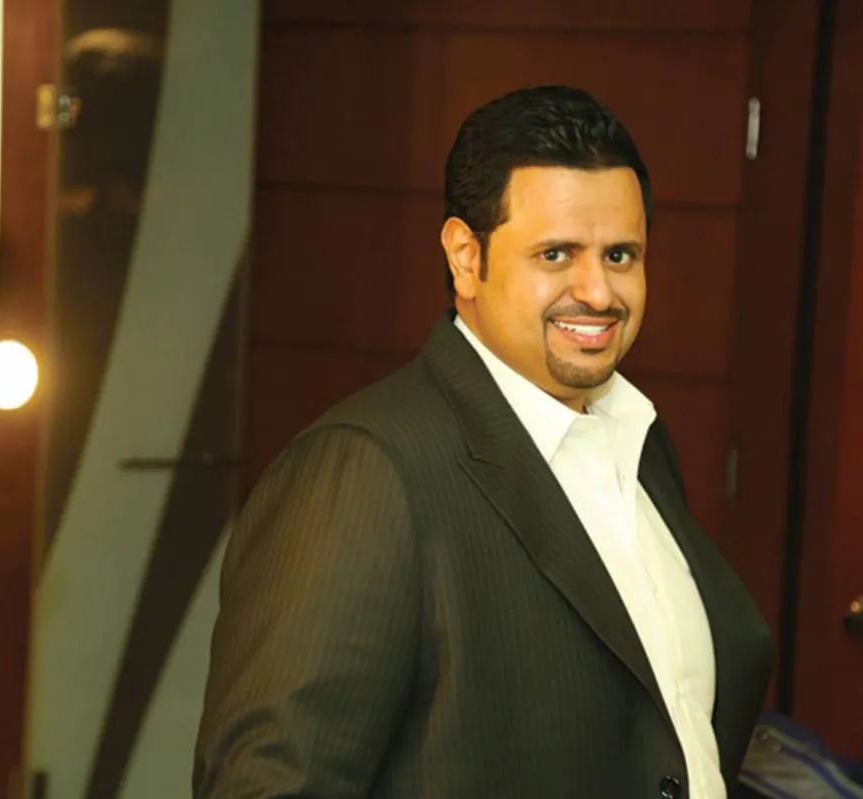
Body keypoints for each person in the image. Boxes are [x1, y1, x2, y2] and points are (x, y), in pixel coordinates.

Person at [194, 85, 773, 799]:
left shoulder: (639, 441)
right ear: (466, 257)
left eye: (621, 255)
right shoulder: (363, 471)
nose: (598, 292)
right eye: (556, 254)